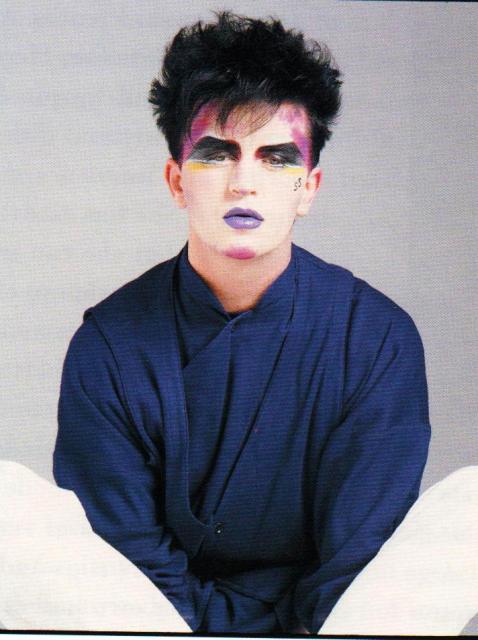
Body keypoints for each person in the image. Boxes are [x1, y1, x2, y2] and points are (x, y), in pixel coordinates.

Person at [53, 12, 431, 634]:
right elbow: (123, 566)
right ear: (177, 180)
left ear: (308, 188)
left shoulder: (376, 339)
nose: (244, 184)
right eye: (216, 154)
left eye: (276, 159)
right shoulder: (109, 345)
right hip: (155, 628)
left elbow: (358, 566)